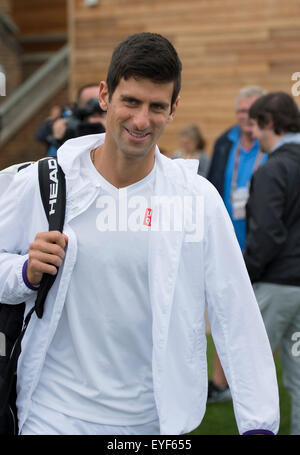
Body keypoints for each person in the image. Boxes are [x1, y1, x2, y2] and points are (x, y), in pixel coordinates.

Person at [0, 33, 279, 435]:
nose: (142, 120)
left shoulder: (195, 198)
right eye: (130, 101)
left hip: (153, 421)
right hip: (52, 415)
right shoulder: (47, 183)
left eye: (156, 106)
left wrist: (259, 423)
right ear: (104, 95)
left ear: (174, 109)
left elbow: (233, 308)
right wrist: (25, 272)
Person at [206, 85, 268, 402]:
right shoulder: (224, 142)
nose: (246, 118)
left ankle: (254, 387)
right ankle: (220, 383)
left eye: (252, 112)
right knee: (224, 314)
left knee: (258, 321)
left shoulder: (275, 147)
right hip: (227, 244)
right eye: (241, 112)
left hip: (265, 249)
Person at [243, 91, 300, 435]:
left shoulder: (274, 169)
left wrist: (243, 276)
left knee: (253, 378)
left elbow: (267, 235)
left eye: (254, 126)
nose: (252, 135)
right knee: (298, 378)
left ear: (268, 123)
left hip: (276, 286)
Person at [36, 83, 106, 156]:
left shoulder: (112, 128)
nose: (95, 122)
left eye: (103, 113)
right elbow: (53, 162)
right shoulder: (69, 126)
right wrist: (57, 141)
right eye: (90, 114)